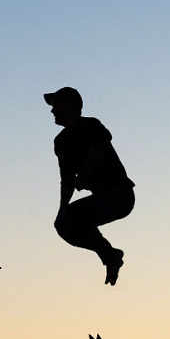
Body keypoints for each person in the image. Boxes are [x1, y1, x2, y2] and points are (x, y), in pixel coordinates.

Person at [44, 87, 135, 285]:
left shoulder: (91, 125)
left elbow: (100, 146)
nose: (52, 111)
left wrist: (85, 172)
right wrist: (61, 210)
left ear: (70, 106)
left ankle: (110, 254)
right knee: (63, 224)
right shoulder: (61, 142)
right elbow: (66, 180)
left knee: (72, 217)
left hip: (120, 196)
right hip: (102, 198)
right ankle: (110, 254)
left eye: (56, 106)